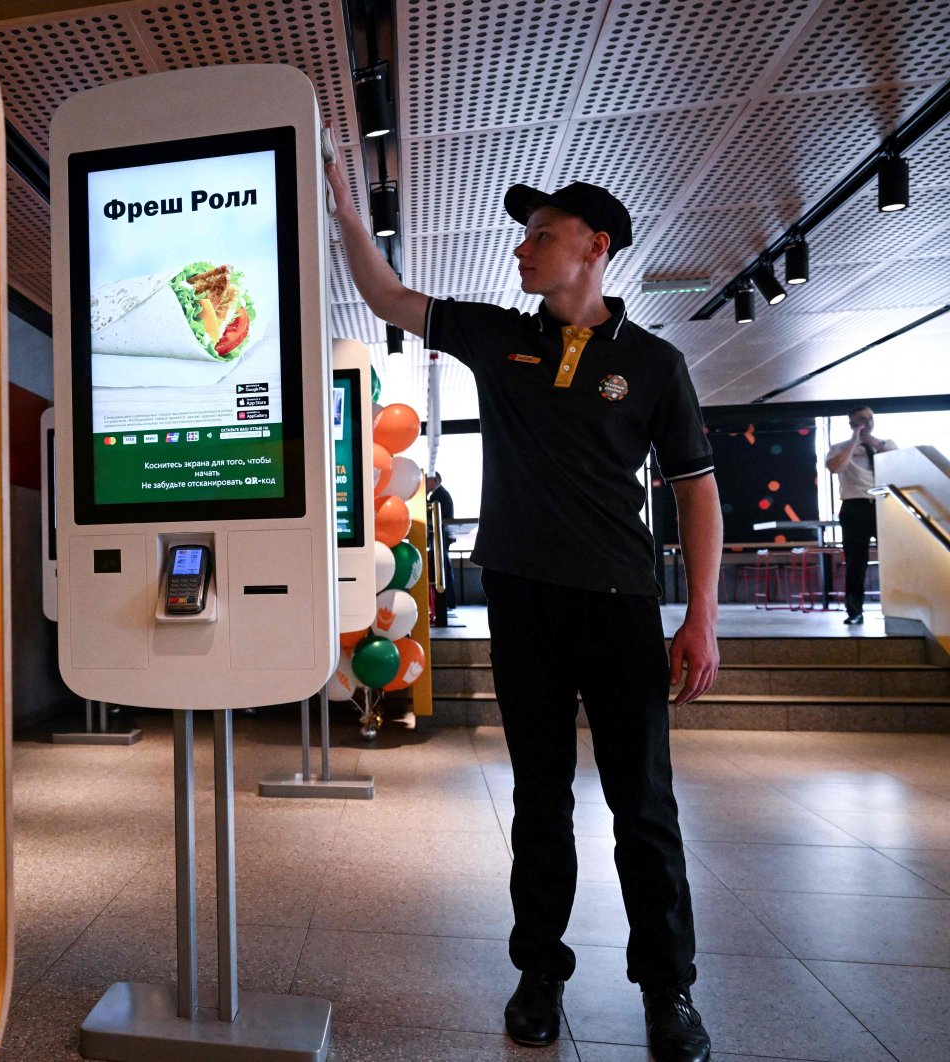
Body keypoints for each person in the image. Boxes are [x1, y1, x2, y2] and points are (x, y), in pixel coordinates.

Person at [328, 161, 721, 1062]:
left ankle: (669, 991)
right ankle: (539, 972)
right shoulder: (495, 338)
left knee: (643, 806)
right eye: (525, 235)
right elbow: (388, 297)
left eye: (541, 235)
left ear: (596, 248)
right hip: (522, 599)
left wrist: (700, 612)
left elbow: (696, 491)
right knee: (539, 799)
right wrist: (349, 216)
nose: (522, 248)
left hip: (621, 605)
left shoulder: (655, 364)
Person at [824, 406, 897, 624]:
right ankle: (855, 611)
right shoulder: (839, 448)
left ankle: (898, 607)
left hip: (884, 505)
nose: (867, 422)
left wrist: (872, 441)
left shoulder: (886, 445)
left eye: (870, 418)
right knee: (856, 561)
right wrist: (854, 440)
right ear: (851, 423)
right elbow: (835, 468)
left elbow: (898, 460)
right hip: (854, 506)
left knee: (893, 557)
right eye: (861, 419)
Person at [425, 472, 457, 621]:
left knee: (442, 568)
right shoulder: (441, 494)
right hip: (442, 537)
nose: (425, 482)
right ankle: (448, 601)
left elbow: (431, 516)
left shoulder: (439, 495)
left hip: (440, 537)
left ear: (435, 480)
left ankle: (446, 601)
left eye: (427, 480)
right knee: (444, 568)